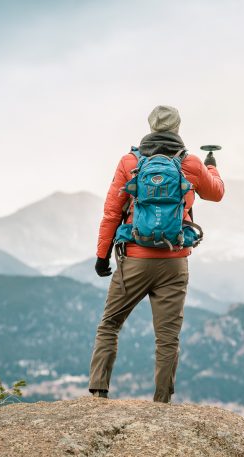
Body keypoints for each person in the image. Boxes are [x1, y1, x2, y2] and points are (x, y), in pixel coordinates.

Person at [88, 105, 224, 402]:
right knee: (167, 337)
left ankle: (98, 392)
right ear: (177, 127)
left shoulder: (130, 162)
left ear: (150, 126)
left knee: (110, 325)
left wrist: (102, 255)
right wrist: (211, 167)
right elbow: (216, 193)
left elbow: (112, 212)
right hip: (174, 262)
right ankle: (162, 402)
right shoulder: (190, 162)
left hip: (134, 260)